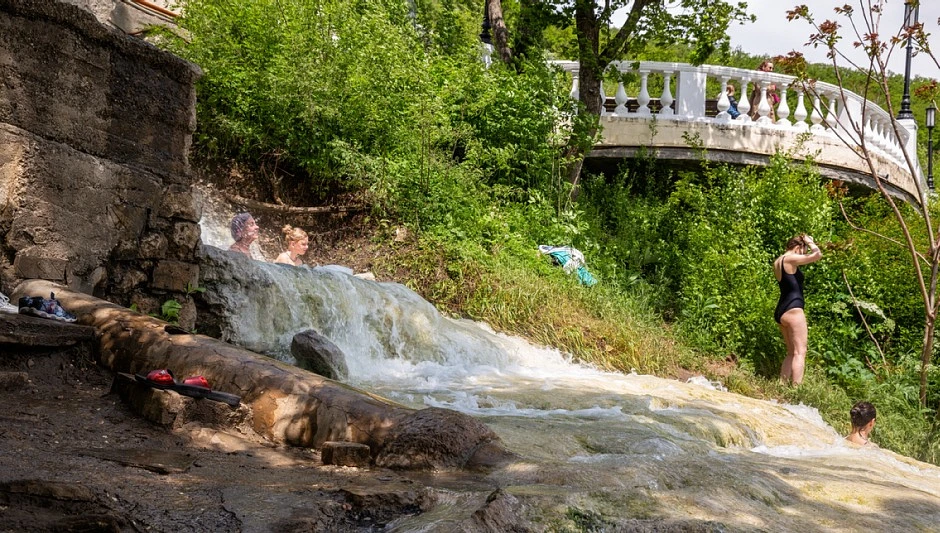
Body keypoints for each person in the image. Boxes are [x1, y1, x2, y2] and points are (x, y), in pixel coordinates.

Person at [774, 234, 822, 385]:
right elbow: (817, 255)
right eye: (803, 250)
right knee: (800, 352)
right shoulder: (789, 258)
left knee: (791, 352)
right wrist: (810, 242)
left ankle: (782, 385)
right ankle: (796, 389)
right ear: (798, 247)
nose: (803, 253)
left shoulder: (778, 261)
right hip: (794, 309)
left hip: (782, 309)